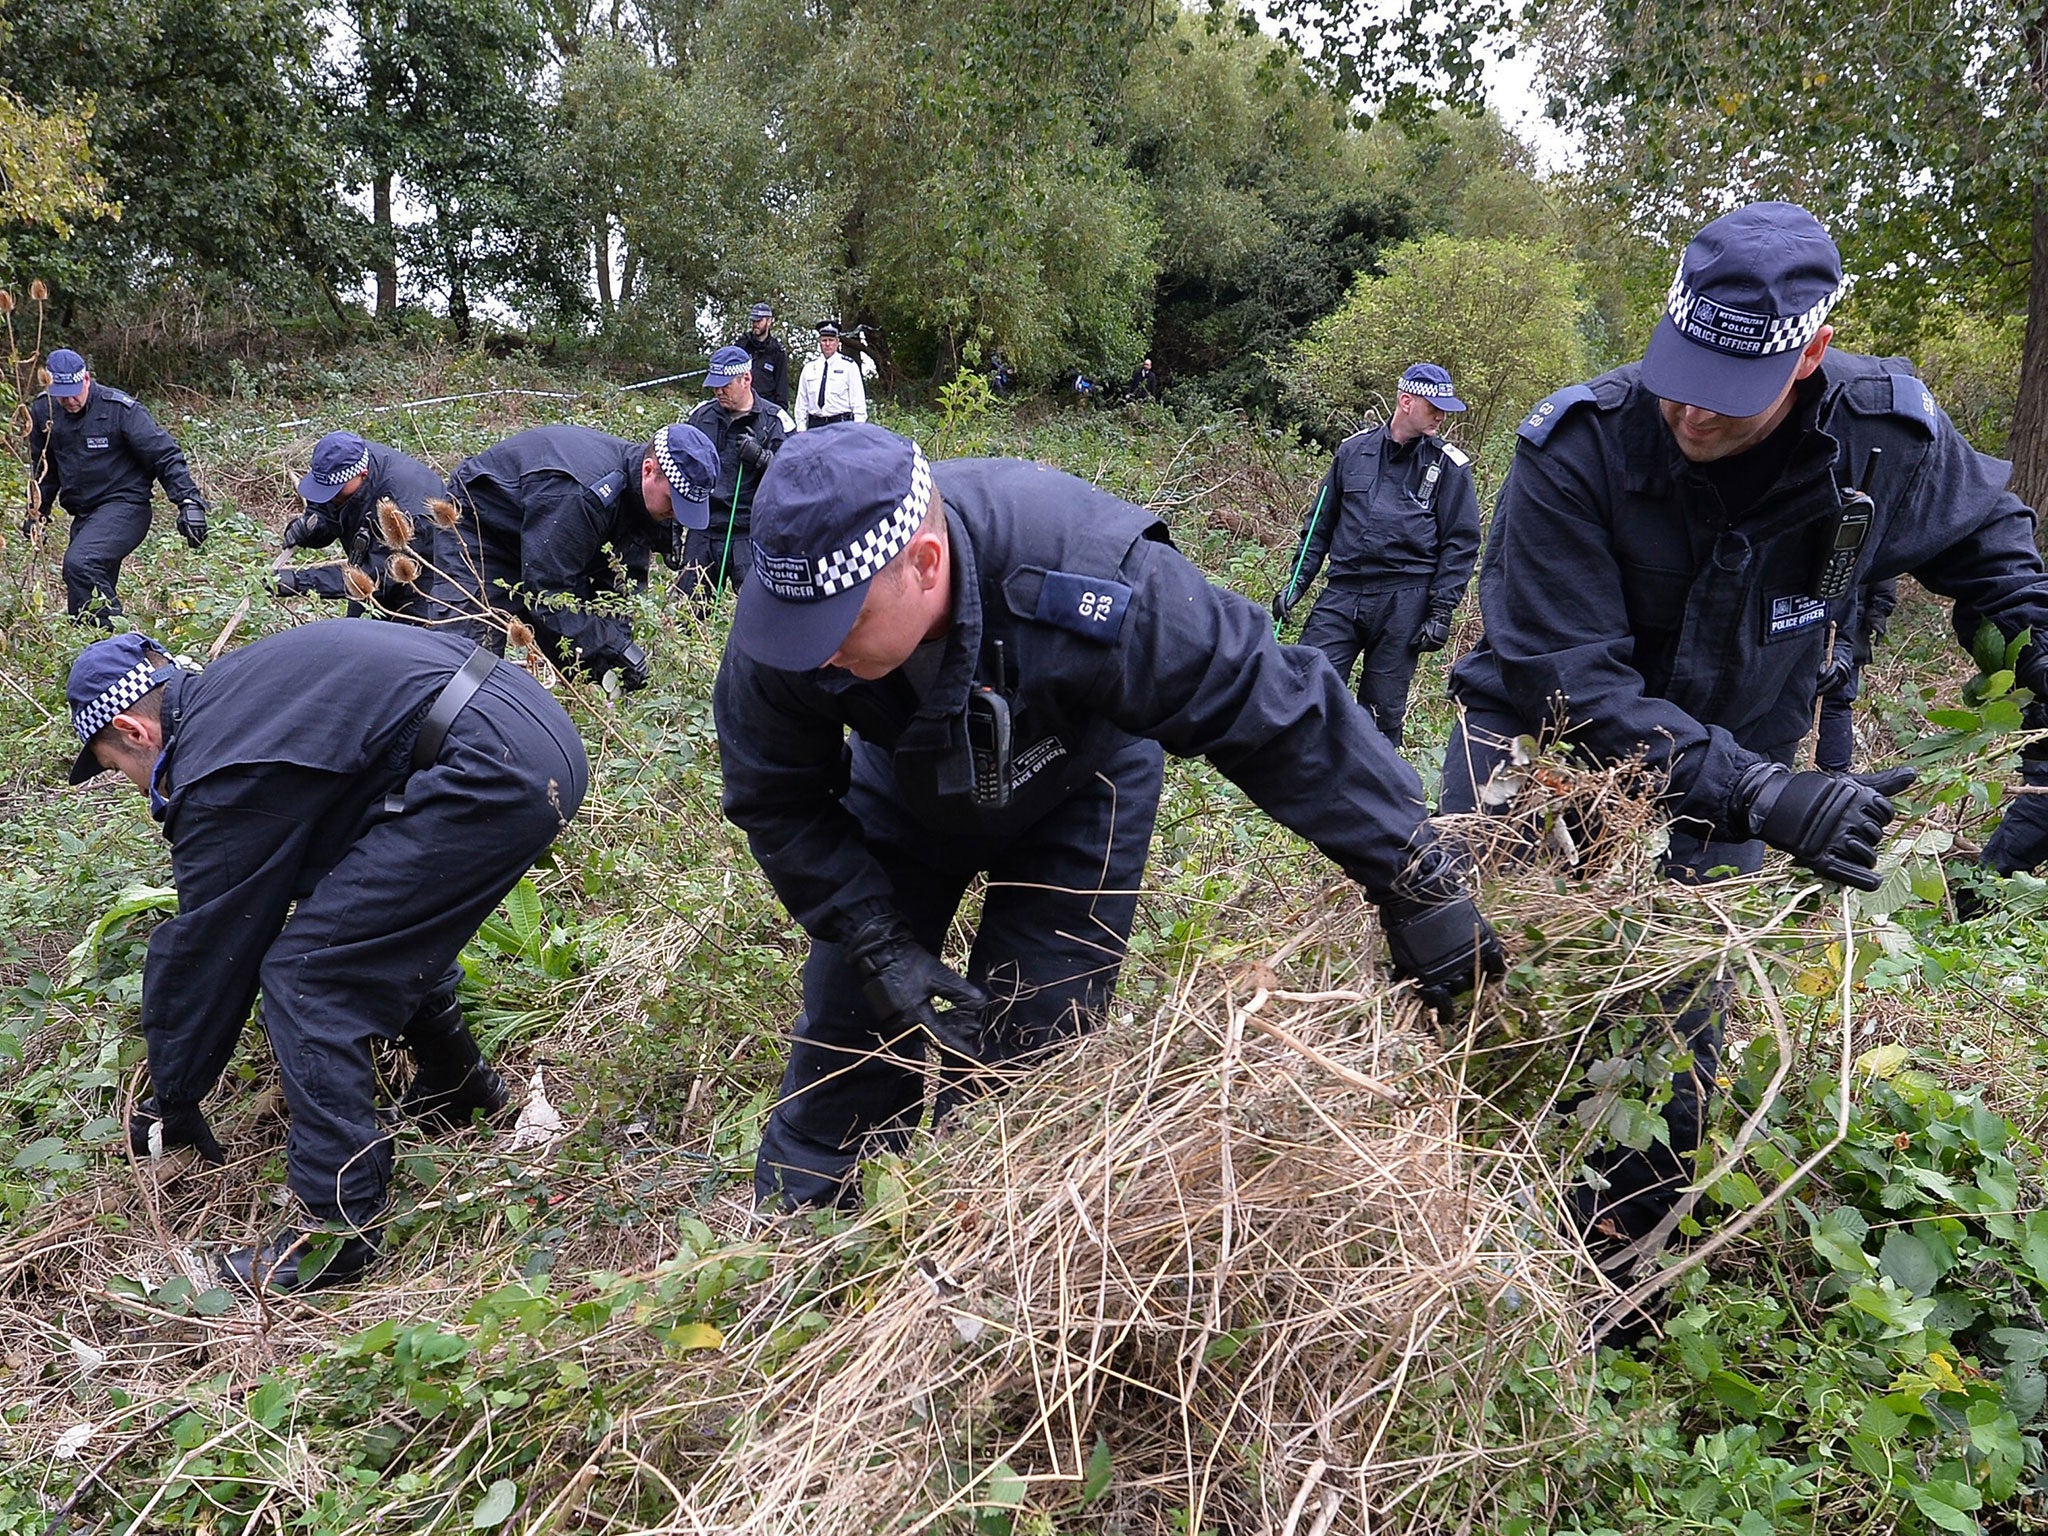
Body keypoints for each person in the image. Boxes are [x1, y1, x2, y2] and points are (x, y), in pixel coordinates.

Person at [1442, 201, 2048, 1261]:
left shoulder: (1882, 434)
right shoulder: (1572, 449)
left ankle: (1611, 1285)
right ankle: (1440, 1216)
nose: (1691, 413)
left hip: (1735, 757)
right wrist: (1766, 796)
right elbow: (1568, 679)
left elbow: (1986, 546)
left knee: (1664, 1042)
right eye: (1679, 374)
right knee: (1464, 978)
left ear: (1809, 353)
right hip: (1536, 751)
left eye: (1729, 394)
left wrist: (2033, 644)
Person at [713, 425, 1504, 1211]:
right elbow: (778, 796)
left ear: (925, 565)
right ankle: (801, 1241)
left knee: (1027, 1053)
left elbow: (1267, 701)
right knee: (851, 1036)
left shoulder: (1082, 567)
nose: (816, 655)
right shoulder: (795, 609)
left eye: (841, 628)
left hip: (1080, 783)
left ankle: (976, 1234)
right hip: (904, 784)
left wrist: (1413, 875)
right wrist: (876, 937)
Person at [63, 621, 588, 1292]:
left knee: (310, 976)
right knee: (356, 922)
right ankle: (460, 1087)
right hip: (534, 729)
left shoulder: (219, 766)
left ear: (137, 733)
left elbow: (211, 946)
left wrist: (174, 1095)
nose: (134, 788)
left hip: (492, 766)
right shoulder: (243, 698)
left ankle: (337, 1229)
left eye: (116, 770)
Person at [1271, 363, 1482, 747]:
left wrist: (1440, 613)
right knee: (1306, 683)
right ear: (1406, 401)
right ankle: (1301, 781)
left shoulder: (1449, 467)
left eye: (1445, 408)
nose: (1441, 416)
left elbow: (1461, 543)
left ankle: (1372, 796)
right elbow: (1320, 522)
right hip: (1344, 590)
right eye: (1434, 406)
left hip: (1405, 598)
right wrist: (1296, 583)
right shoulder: (1352, 452)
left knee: (1381, 713)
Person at [436, 421, 719, 686]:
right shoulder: (582, 495)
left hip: (547, 541)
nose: (676, 516)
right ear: (648, 470)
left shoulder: (638, 500)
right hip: (482, 531)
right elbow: (547, 595)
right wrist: (609, 645)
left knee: (588, 655)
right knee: (466, 664)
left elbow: (619, 588)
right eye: (673, 502)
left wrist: (618, 653)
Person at [24, 348, 210, 626]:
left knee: (81, 563)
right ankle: (94, 648)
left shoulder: (119, 410)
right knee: (84, 599)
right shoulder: (44, 411)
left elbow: (164, 455)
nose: (70, 400)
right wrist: (37, 513)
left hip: (125, 507)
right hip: (85, 514)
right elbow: (44, 469)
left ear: (86, 378)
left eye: (75, 391)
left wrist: (189, 502)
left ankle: (117, 645)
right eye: (62, 394)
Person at [278, 430, 446, 621]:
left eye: (335, 491)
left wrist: (296, 582)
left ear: (363, 474)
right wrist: (312, 525)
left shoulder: (407, 513)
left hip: (420, 587)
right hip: (370, 560)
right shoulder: (344, 458)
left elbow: (372, 577)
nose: (330, 497)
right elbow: (328, 499)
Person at [683, 347, 794, 599]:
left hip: (747, 536)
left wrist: (764, 459)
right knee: (687, 618)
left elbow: (795, 479)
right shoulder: (701, 417)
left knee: (753, 615)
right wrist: (670, 531)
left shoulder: (775, 422)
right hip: (703, 533)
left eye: (725, 385)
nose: (718, 391)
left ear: (746, 379)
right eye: (715, 385)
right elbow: (679, 472)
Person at [1813, 578, 1899, 772]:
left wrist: (1880, 608)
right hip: (1797, 615)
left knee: (1835, 699)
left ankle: (1835, 775)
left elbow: (1882, 563)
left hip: (1849, 620)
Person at [793, 323, 869, 432]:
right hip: (815, 426)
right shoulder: (809, 368)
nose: (827, 344)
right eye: (824, 340)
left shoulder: (849, 366)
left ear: (837, 342)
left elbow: (858, 403)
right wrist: (801, 429)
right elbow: (801, 403)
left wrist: (857, 430)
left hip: (841, 425)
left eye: (831, 340)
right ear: (819, 342)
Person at [735, 302, 791, 413]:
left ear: (769, 322)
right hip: (741, 406)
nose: (755, 324)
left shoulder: (777, 351)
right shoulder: (741, 345)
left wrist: (778, 413)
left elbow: (782, 388)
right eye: (753, 321)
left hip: (765, 409)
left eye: (759, 321)